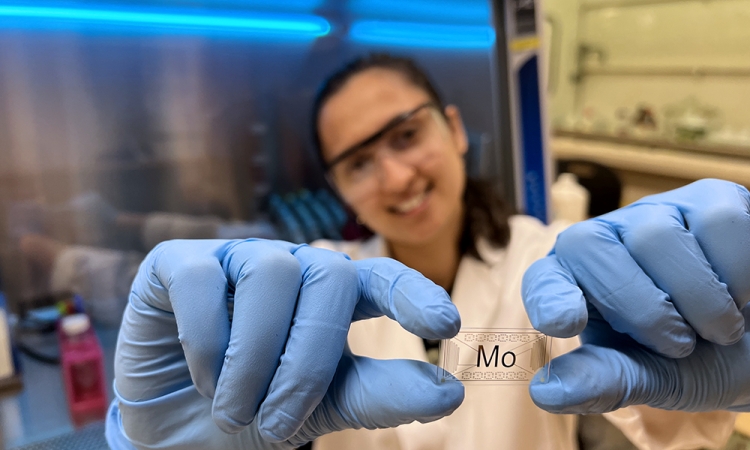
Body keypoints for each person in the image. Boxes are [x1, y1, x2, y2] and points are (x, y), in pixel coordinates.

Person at [106, 54, 744, 450]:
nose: (395, 176)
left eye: (407, 135)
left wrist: (704, 347)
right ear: (338, 190)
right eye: (359, 163)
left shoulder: (546, 264)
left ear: (457, 129)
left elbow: (680, 434)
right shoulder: (312, 289)